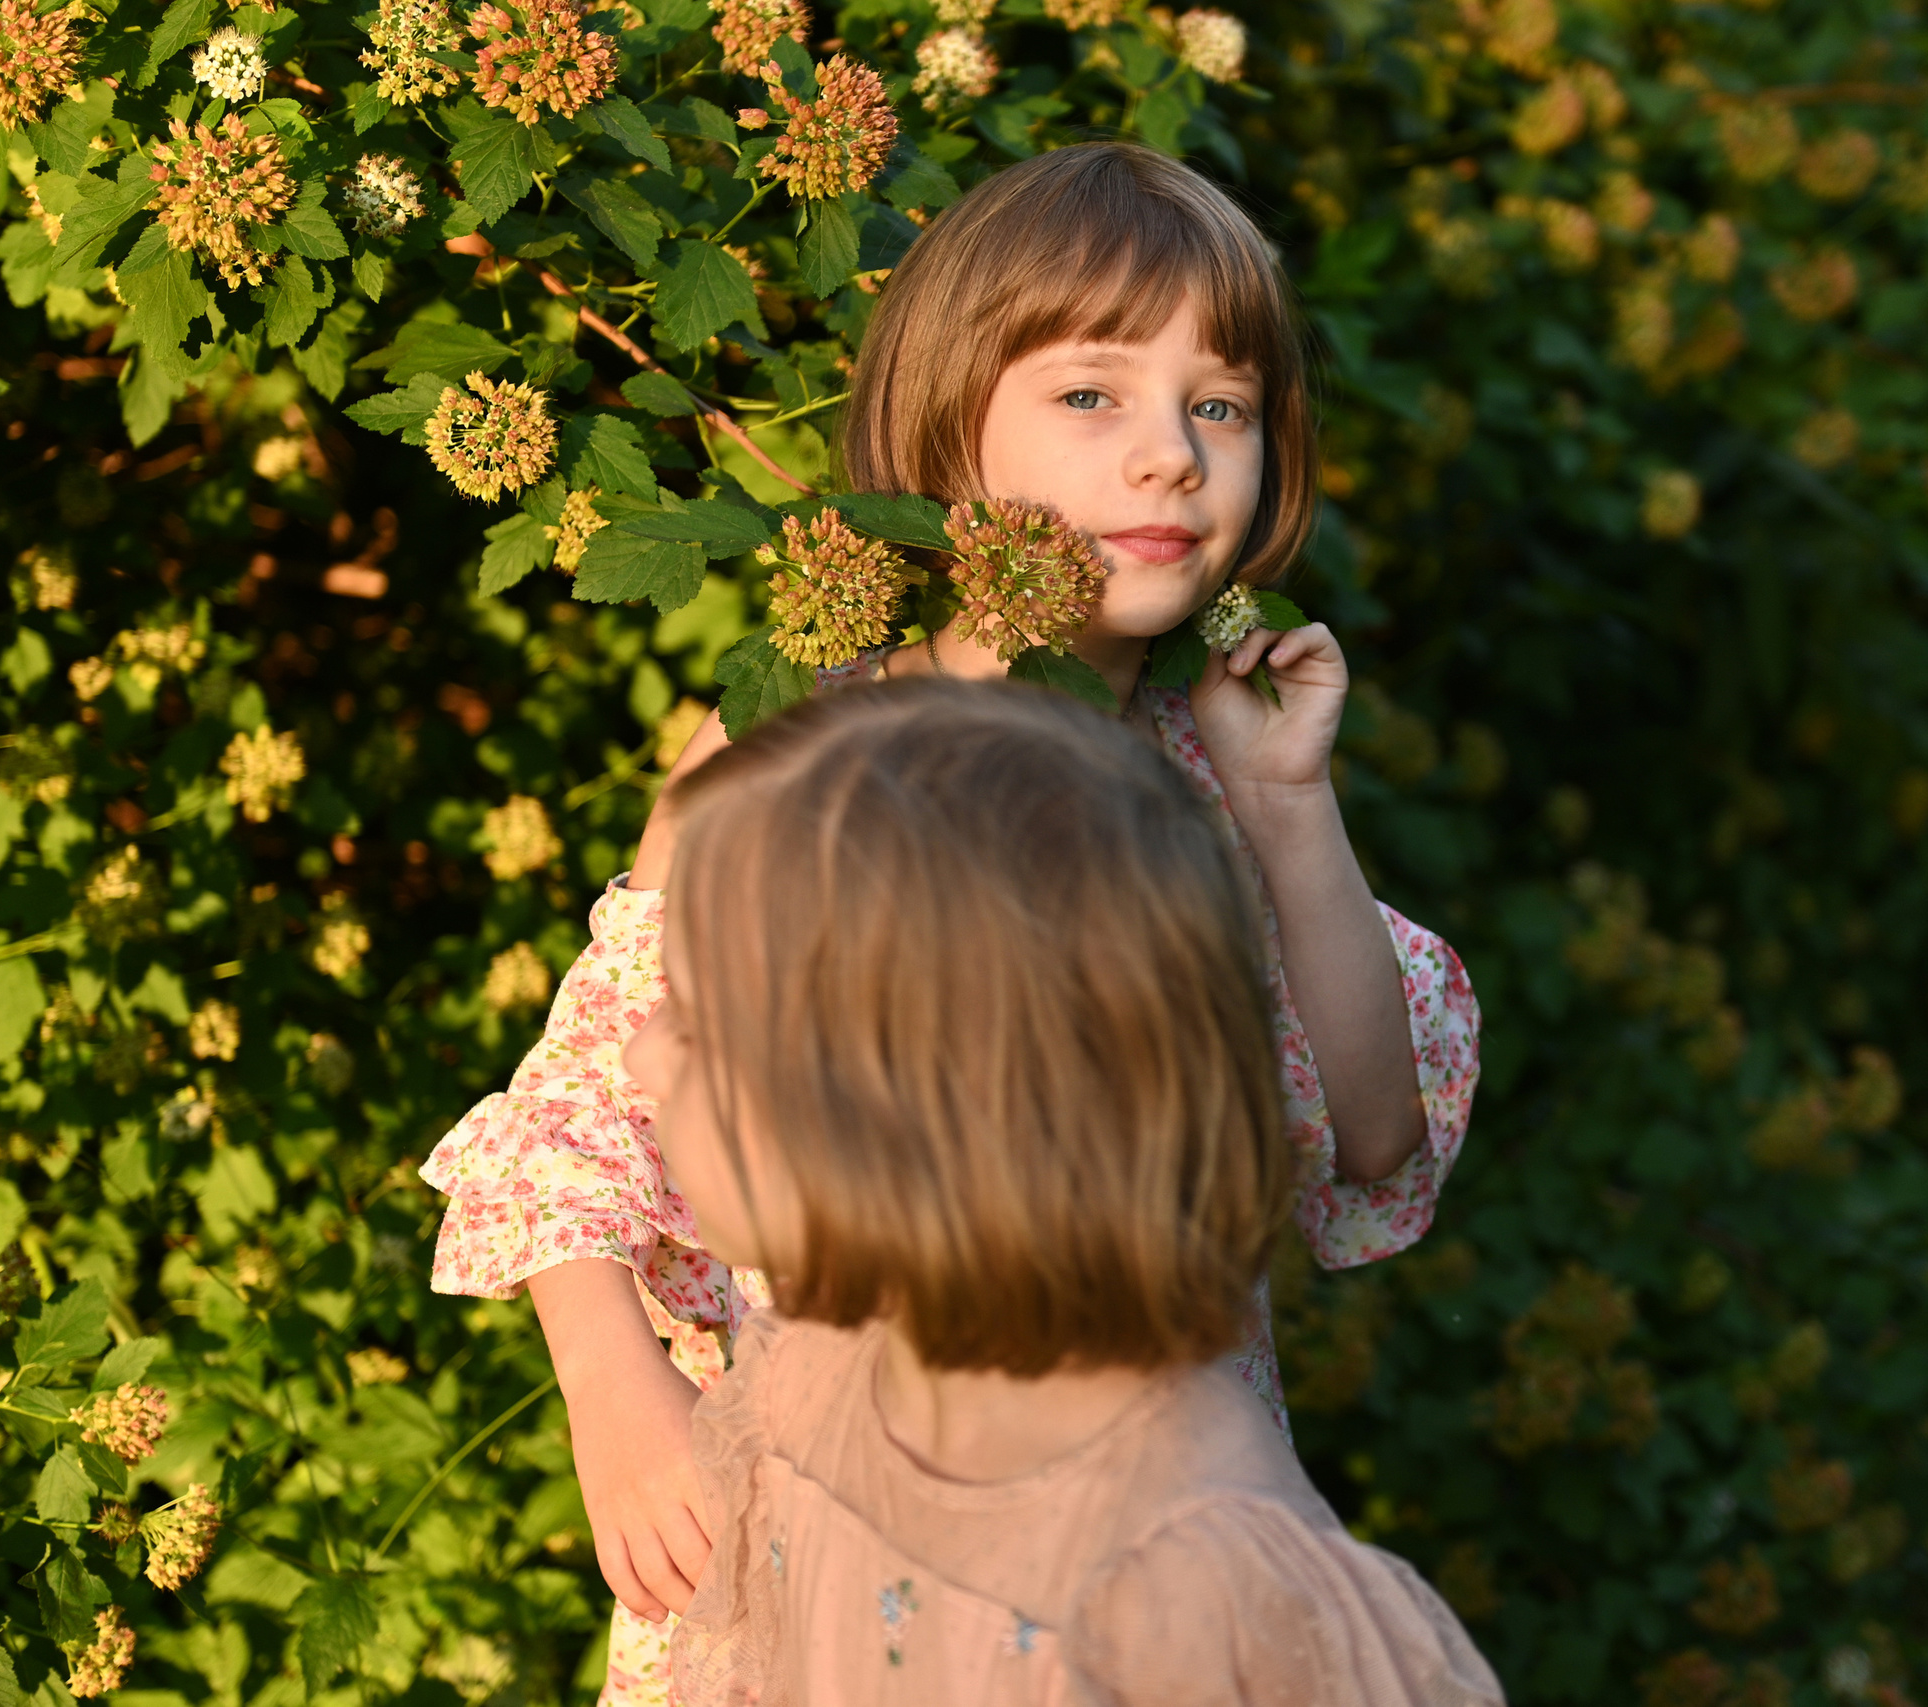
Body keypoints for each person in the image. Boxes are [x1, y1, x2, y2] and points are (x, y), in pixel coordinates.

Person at [420, 140, 1482, 1704]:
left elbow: (1374, 1140)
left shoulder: (1213, 781)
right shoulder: (803, 755)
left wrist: (1290, 804)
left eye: (1222, 406)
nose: (1170, 457)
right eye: (1091, 396)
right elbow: (588, 1098)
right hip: (826, 1533)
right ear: (945, 424)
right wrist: (612, 1382)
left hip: (1131, 1535)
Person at [639, 681, 1501, 1704]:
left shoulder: (1193, 1583)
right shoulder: (822, 1377)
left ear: (902, 1103)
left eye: (694, 1018)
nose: (645, 1057)